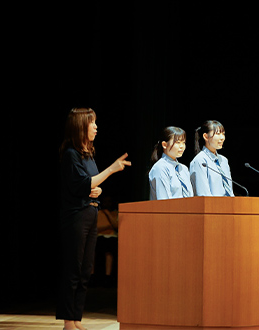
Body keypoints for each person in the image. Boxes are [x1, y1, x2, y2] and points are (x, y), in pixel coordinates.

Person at [57, 108, 131, 330]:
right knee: (73, 269)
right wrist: (111, 170)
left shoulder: (87, 154)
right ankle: (67, 321)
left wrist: (96, 190)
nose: (96, 127)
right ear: (81, 126)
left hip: (90, 213)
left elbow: (90, 183)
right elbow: (82, 184)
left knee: (85, 269)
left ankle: (76, 319)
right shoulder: (70, 154)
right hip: (76, 216)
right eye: (92, 123)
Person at [190, 120, 234, 196]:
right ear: (206, 136)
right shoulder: (200, 160)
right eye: (218, 134)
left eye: (223, 134)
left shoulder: (223, 160)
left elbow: (230, 190)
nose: (222, 138)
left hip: (228, 206)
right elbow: (203, 194)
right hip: (211, 206)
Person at [149, 126, 194, 200]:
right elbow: (164, 200)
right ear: (164, 145)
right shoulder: (160, 167)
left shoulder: (184, 169)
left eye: (183, 143)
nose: (182, 146)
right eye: (178, 142)